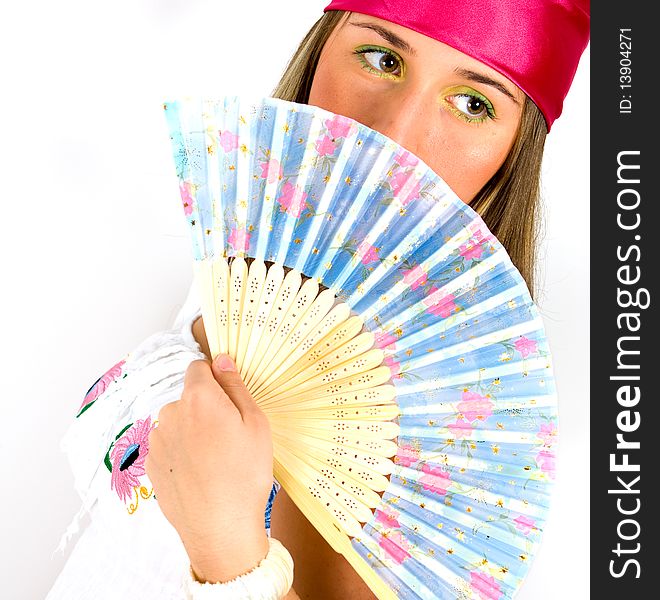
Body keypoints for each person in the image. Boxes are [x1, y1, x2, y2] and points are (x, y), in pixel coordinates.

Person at [47, 1, 589, 599]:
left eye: (473, 103)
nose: (397, 133)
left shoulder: (453, 449)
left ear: (513, 157)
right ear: (316, 58)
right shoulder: (260, 276)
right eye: (380, 59)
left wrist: (227, 549)